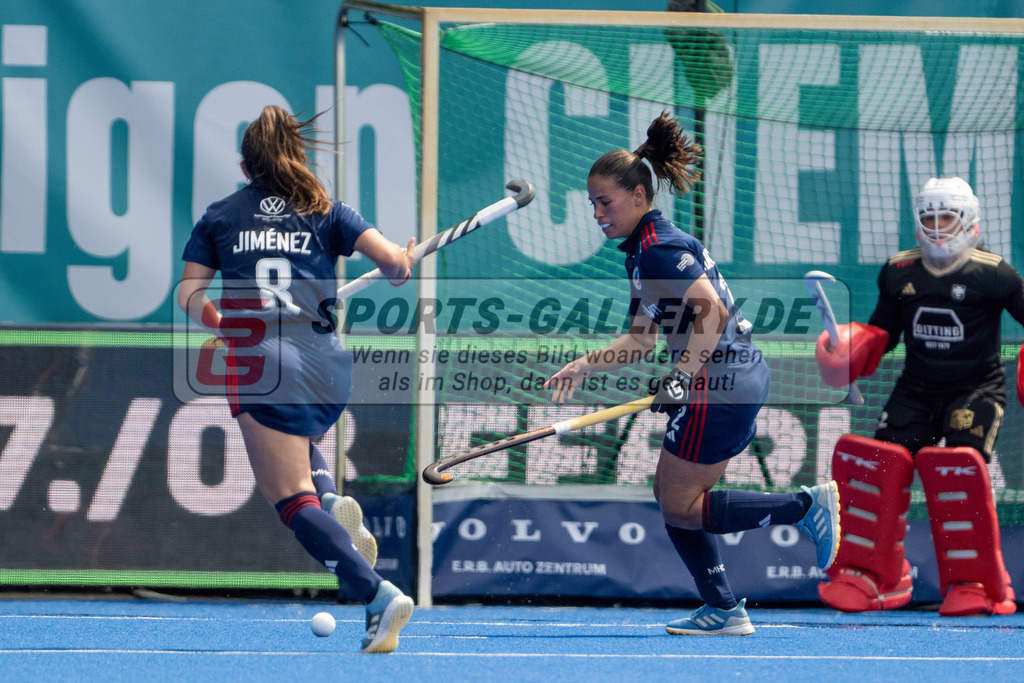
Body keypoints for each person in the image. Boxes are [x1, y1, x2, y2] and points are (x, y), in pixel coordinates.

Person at [544, 111, 840, 636]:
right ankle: (723, 608)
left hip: (721, 379)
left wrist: (682, 375)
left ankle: (802, 507)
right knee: (670, 496)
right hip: (726, 375)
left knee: (681, 504)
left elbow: (712, 313)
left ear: (638, 195)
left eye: (604, 201)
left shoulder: (659, 250)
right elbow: (641, 340)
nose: (596, 213)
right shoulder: (642, 254)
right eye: (591, 203)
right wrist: (585, 365)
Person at [177, 105, 416, 652]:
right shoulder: (327, 208)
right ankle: (329, 500)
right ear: (297, 156)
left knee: (289, 497)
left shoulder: (220, 216)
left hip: (262, 362)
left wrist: (222, 322)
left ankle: (376, 594)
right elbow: (393, 265)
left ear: (245, 167)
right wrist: (401, 260)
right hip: (327, 365)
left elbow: (189, 294)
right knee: (295, 451)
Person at [815, 177, 1021, 616]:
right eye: (930, 217)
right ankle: (878, 576)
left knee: (959, 471)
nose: (938, 227)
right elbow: (884, 331)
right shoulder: (898, 270)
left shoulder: (995, 273)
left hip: (976, 389)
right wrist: (850, 346)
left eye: (947, 217)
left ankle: (978, 582)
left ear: (970, 221)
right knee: (879, 468)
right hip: (916, 388)